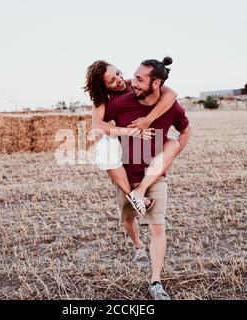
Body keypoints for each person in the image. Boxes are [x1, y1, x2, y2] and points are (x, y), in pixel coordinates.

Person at [102, 58, 192, 300]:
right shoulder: (121, 103)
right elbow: (98, 126)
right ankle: (138, 246)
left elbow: (185, 130)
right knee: (128, 219)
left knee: (158, 228)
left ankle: (155, 282)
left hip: (154, 177)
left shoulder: (172, 107)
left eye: (140, 79)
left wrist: (172, 154)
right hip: (124, 175)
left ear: (156, 83)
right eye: (134, 77)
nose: (133, 83)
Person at [84, 57, 181, 217]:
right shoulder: (102, 99)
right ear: (104, 86)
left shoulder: (133, 83)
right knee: (106, 147)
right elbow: (97, 126)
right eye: (112, 81)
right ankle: (133, 195)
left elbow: (171, 94)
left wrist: (147, 120)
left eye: (118, 73)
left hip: (147, 138)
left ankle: (140, 191)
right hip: (123, 139)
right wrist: (131, 131)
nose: (119, 80)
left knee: (171, 142)